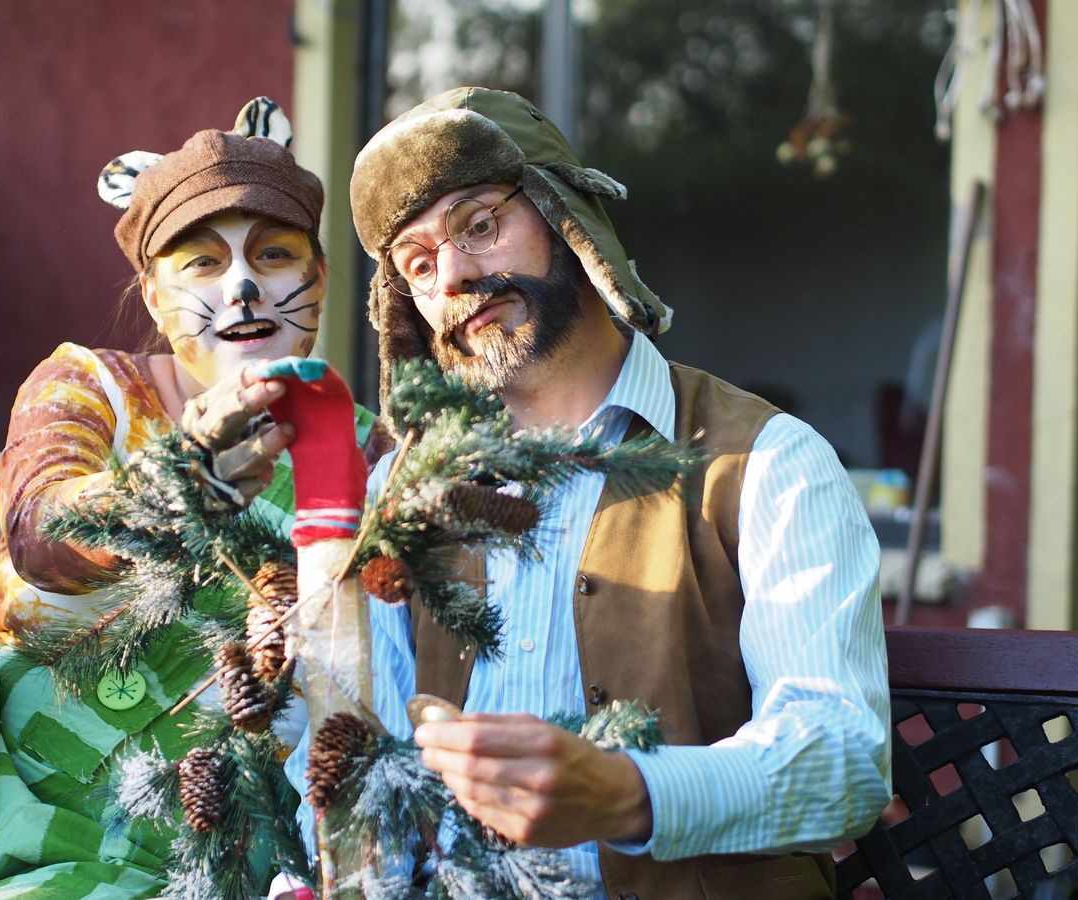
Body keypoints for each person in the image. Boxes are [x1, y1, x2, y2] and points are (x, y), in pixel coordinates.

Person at [344, 86, 890, 898]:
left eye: (481, 225)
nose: (456, 274)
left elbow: (845, 759)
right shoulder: (405, 489)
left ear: (567, 216)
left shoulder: (766, 462)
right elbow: (376, 765)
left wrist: (628, 794)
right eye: (419, 264)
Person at [0, 97, 372, 898]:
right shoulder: (92, 387)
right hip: (34, 830)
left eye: (275, 255)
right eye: (204, 264)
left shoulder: (369, 447)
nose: (244, 287)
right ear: (151, 295)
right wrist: (182, 481)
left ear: (317, 275)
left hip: (241, 861)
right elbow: (41, 531)